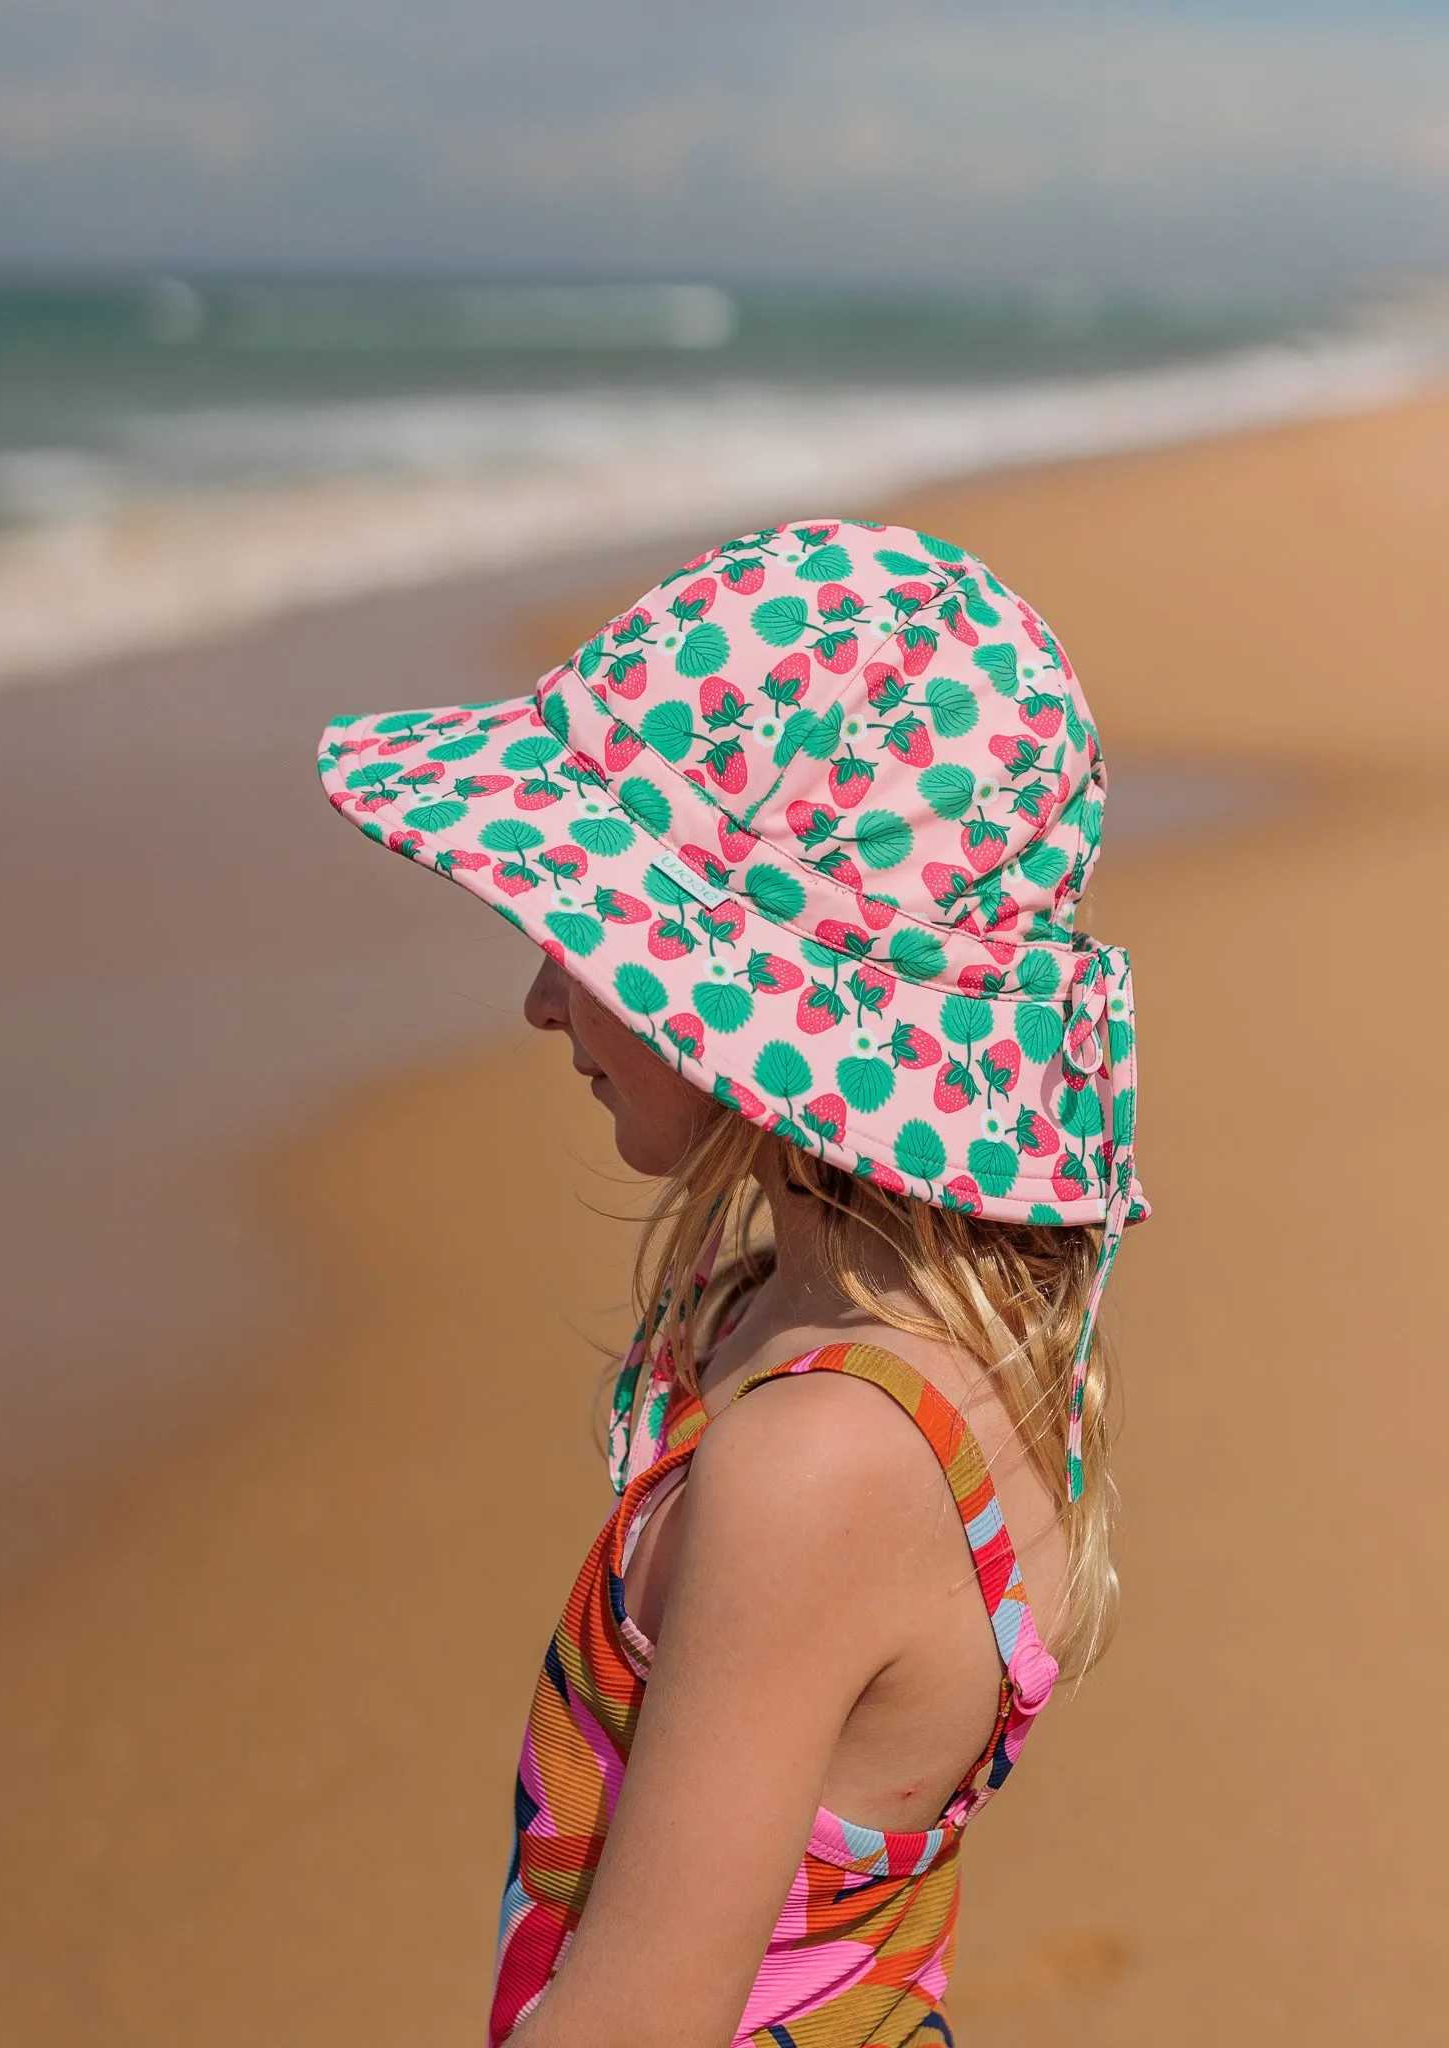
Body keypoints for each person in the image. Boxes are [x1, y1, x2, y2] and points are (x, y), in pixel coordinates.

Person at [317, 520, 1145, 2048]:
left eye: (587, 937)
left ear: (751, 982)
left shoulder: (819, 1457)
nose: (540, 995)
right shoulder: (904, 1344)